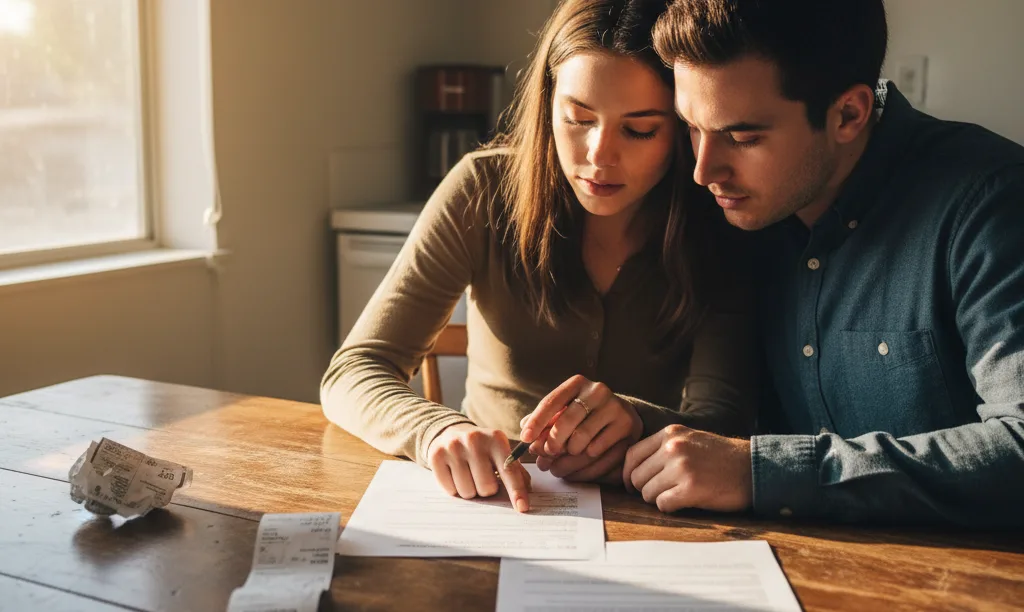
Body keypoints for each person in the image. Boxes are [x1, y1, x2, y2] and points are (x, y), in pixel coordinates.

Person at [321, 0, 756, 514]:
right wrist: (438, 430)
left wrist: (639, 420)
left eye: (639, 129)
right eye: (578, 118)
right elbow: (354, 370)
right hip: (490, 506)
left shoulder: (718, 218)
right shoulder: (482, 189)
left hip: (653, 520)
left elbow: (724, 424)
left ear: (682, 130)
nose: (599, 155)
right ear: (547, 105)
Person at [615, 0, 1024, 526]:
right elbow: (730, 437)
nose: (704, 170)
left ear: (849, 114)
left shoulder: (990, 205)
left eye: (743, 138)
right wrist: (634, 433)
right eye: (692, 127)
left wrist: (764, 472)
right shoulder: (735, 211)